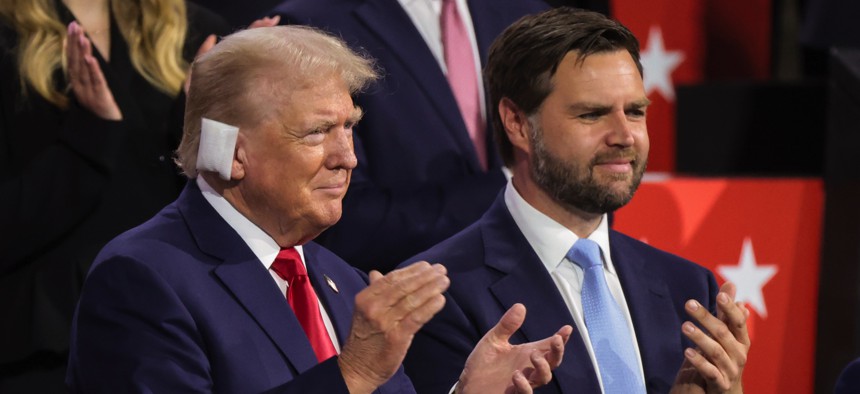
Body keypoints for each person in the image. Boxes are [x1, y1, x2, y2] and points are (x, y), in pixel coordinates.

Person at [66, 25, 572, 393]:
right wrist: (352, 373)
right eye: (316, 132)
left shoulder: (342, 280)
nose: (347, 157)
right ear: (233, 152)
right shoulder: (142, 278)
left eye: (349, 127)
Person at [400, 8, 750, 394]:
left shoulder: (688, 287)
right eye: (592, 114)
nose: (624, 135)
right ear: (517, 123)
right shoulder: (435, 296)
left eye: (635, 112)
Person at [0, 0, 232, 391]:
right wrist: (89, 137)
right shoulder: (9, 38)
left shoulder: (193, 29)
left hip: (178, 322)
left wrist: (205, 123)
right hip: (50, 342)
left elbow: (226, 189)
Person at [268, 0, 550, 272]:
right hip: (402, 298)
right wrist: (513, 186)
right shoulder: (311, 23)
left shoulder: (528, 11)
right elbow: (344, 220)